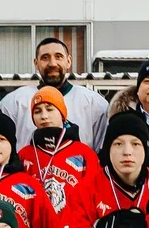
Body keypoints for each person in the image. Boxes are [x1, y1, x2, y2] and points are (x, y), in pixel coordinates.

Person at [0, 37, 109, 150]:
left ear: (69, 61)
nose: (52, 63)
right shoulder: (14, 102)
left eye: (58, 56)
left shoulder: (94, 103)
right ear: (36, 63)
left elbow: (101, 152)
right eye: (45, 58)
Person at [17, 86, 99, 215]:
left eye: (49, 109)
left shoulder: (84, 153)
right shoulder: (24, 155)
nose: (44, 116)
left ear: (62, 114)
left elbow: (95, 197)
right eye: (37, 111)